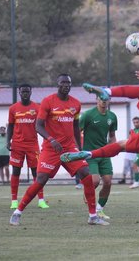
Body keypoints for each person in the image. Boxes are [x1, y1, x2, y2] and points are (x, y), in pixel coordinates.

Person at [9, 74, 108, 226]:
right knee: (41, 179)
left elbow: (75, 126)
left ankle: (93, 216)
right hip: (50, 149)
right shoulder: (48, 101)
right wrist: (51, 140)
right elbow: (38, 126)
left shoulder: (75, 104)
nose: (66, 85)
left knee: (86, 175)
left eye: (68, 83)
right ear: (58, 84)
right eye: (63, 83)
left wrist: (79, 148)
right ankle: (17, 212)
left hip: (69, 148)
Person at [7, 84, 49, 209]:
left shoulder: (37, 108)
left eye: (27, 91)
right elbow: (10, 126)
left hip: (32, 145)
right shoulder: (13, 108)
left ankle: (41, 200)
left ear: (31, 92)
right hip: (17, 145)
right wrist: (7, 140)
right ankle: (14, 200)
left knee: (37, 172)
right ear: (19, 93)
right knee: (16, 171)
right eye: (23, 91)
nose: (25, 93)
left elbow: (42, 125)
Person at [79, 96, 117, 220]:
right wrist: (78, 150)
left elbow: (112, 136)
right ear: (96, 99)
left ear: (109, 100)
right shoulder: (88, 115)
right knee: (94, 181)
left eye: (106, 98)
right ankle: (88, 193)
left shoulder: (112, 117)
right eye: (101, 98)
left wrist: (113, 148)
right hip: (90, 154)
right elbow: (76, 132)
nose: (104, 100)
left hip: (104, 153)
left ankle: (99, 209)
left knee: (108, 182)